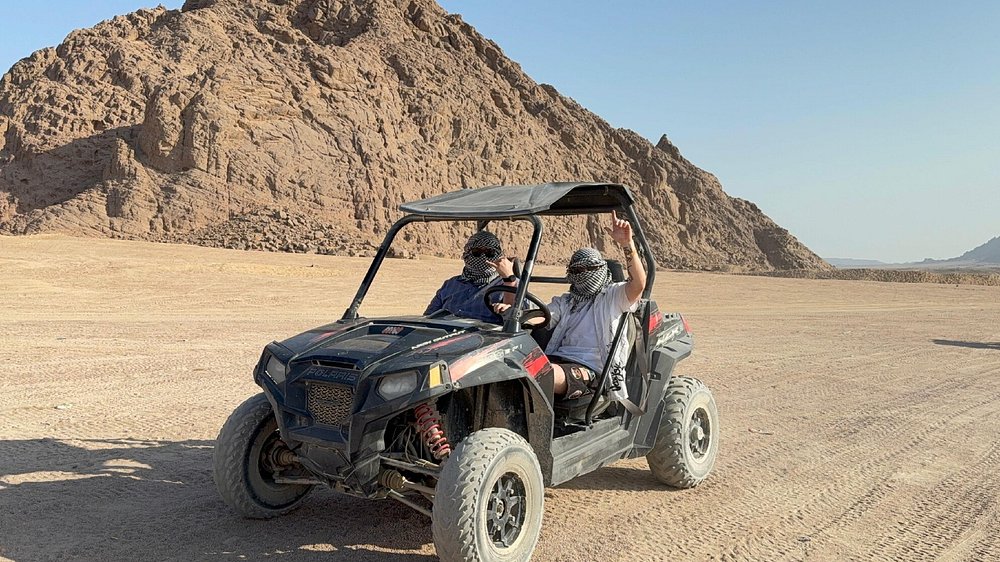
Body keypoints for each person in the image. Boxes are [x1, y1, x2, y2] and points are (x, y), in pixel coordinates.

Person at [494, 211, 646, 399]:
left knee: (539, 371)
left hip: (591, 370)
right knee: (506, 364)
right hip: (558, 359)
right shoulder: (567, 301)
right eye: (575, 270)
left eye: (585, 270)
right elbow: (544, 316)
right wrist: (517, 314)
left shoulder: (613, 296)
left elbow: (638, 285)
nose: (579, 274)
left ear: (599, 269)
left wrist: (626, 244)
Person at [424, 230, 517, 323]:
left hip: (484, 335)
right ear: (467, 255)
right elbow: (427, 319)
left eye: (490, 253)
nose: (483, 257)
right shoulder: (451, 284)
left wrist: (509, 279)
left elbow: (518, 319)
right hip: (448, 333)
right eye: (476, 252)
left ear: (498, 256)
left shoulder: (509, 285)